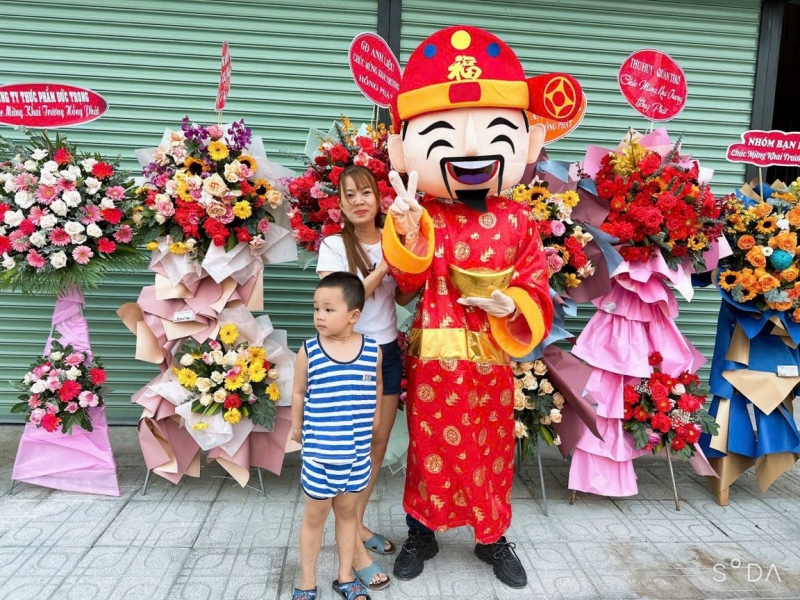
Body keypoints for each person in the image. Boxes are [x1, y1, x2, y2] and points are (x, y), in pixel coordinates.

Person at [382, 26, 583, 588]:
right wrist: (403, 229)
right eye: (442, 133)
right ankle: (421, 530)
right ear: (404, 151)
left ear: (529, 143)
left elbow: (536, 283)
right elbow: (406, 281)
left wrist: (510, 302)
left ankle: (491, 537)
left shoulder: (519, 219)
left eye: (496, 131)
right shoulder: (423, 211)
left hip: (492, 359)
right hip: (433, 359)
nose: (471, 150)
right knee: (428, 449)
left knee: (490, 447)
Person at [316, 164, 415, 589]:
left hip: (387, 352)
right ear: (339, 203)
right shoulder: (334, 246)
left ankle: (355, 526)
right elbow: (342, 301)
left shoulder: (393, 239)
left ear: (380, 199)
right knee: (351, 452)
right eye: (349, 195)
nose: (358, 201)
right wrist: (385, 266)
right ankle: (353, 553)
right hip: (348, 358)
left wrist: (411, 257)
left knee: (374, 449)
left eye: (366, 193)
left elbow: (407, 292)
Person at [290, 272, 383, 600]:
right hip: (319, 456)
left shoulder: (372, 350)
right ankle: (307, 580)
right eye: (316, 308)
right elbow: (299, 392)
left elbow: (377, 386)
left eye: (329, 309)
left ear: (353, 315)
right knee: (314, 518)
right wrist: (295, 427)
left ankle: (345, 576)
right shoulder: (309, 351)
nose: (319, 315)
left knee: (347, 515)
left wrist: (375, 420)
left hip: (356, 456)